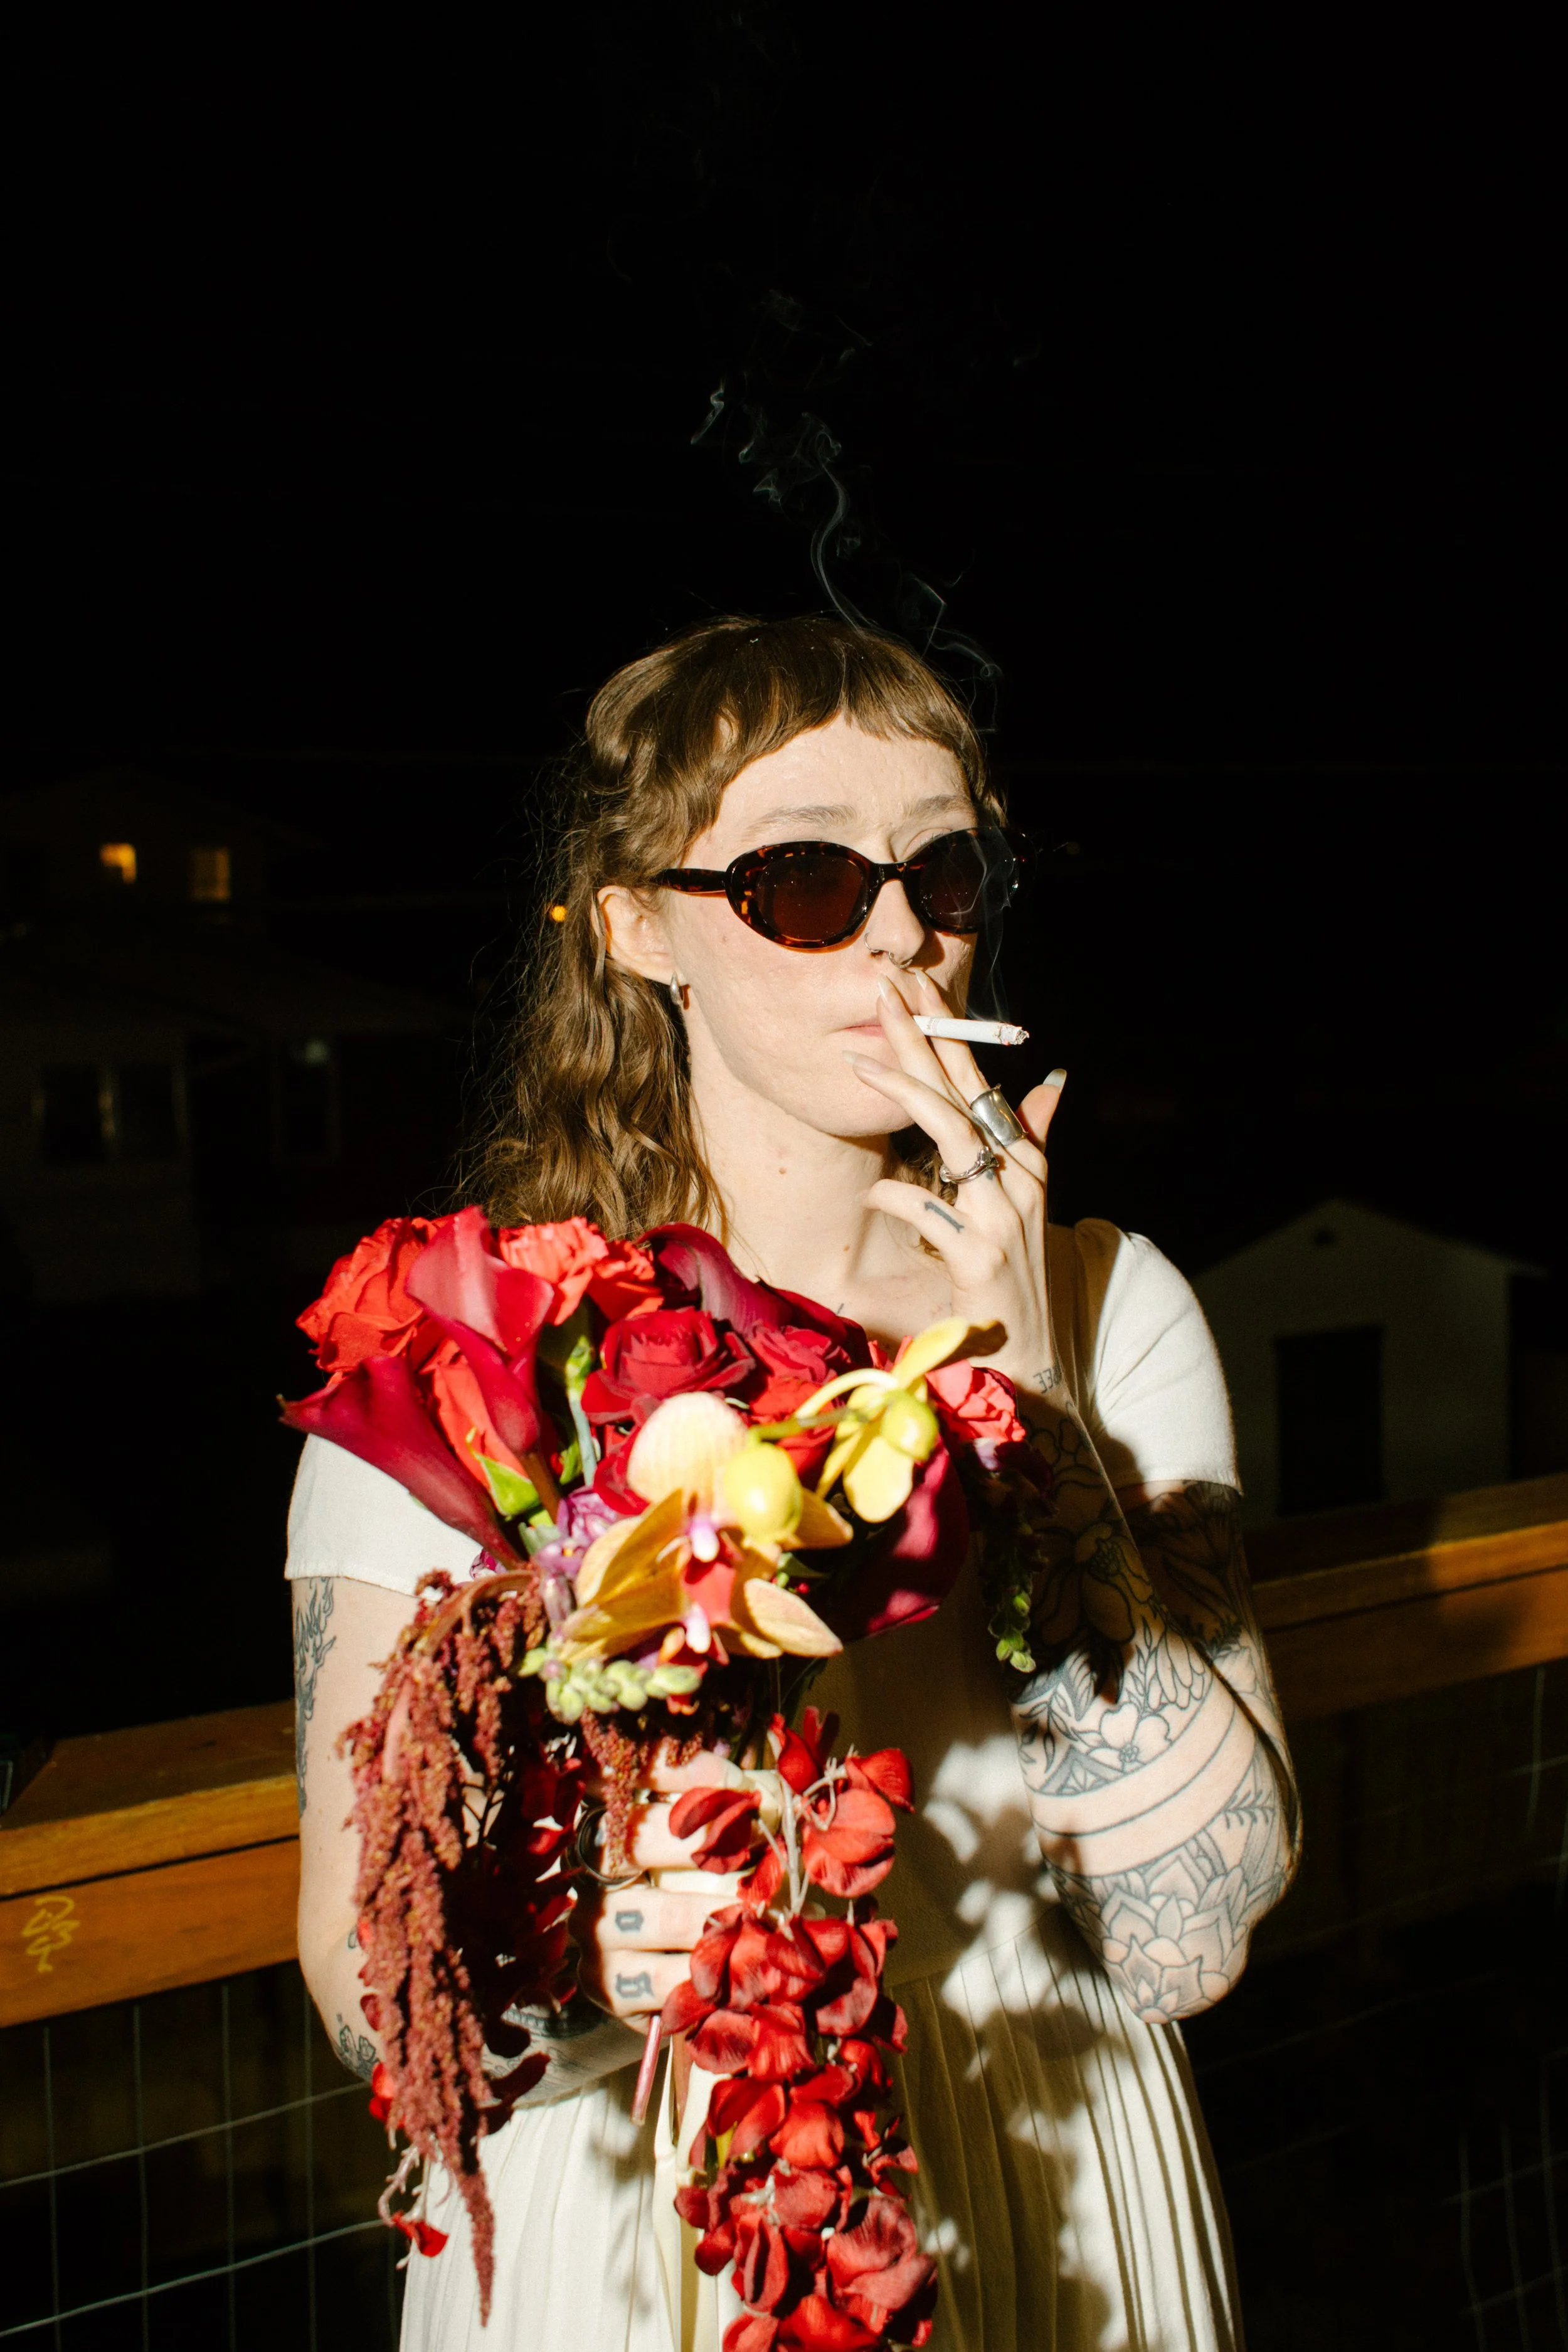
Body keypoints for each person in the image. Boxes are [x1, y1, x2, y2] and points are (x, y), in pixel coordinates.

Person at [287, 614, 1299, 2351]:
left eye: (946, 870)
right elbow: (361, 1979)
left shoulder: (1111, 1303)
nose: (903, 930)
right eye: (806, 878)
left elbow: (1191, 1931)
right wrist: (592, 1957)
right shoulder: (478, 1338)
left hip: (1054, 2170)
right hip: (642, 2198)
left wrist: (1034, 1400)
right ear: (636, 927)